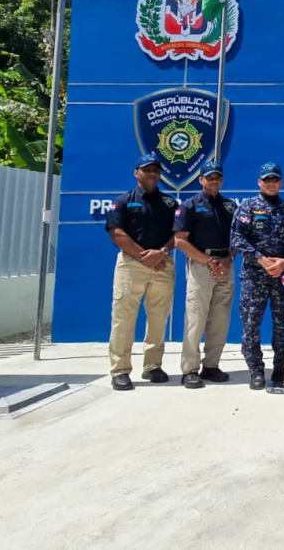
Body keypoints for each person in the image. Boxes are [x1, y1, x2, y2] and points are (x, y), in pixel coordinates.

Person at [105, 153, 177, 391]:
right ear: (137, 173)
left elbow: (178, 234)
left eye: (156, 170)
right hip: (132, 265)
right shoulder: (123, 201)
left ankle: (152, 366)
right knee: (124, 319)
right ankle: (120, 370)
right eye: (147, 170)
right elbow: (117, 234)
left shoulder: (169, 203)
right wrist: (144, 255)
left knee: (158, 318)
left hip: (162, 263)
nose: (153, 174)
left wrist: (162, 252)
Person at [231, 162, 284, 390]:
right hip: (254, 276)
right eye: (266, 180)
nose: (271, 183)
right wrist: (260, 258)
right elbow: (238, 238)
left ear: (281, 182)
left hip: (282, 275)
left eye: (275, 179)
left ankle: (281, 368)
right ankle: (256, 371)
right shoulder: (248, 207)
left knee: (283, 324)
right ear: (260, 182)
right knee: (251, 325)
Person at [173, 160, 235, 389]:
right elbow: (180, 241)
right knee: (195, 318)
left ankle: (211, 366)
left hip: (225, 265)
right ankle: (190, 369)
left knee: (220, 318)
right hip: (201, 265)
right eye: (209, 177)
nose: (214, 180)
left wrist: (228, 259)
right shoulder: (190, 205)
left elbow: (238, 239)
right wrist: (209, 261)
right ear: (201, 180)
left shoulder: (230, 206)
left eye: (217, 176)